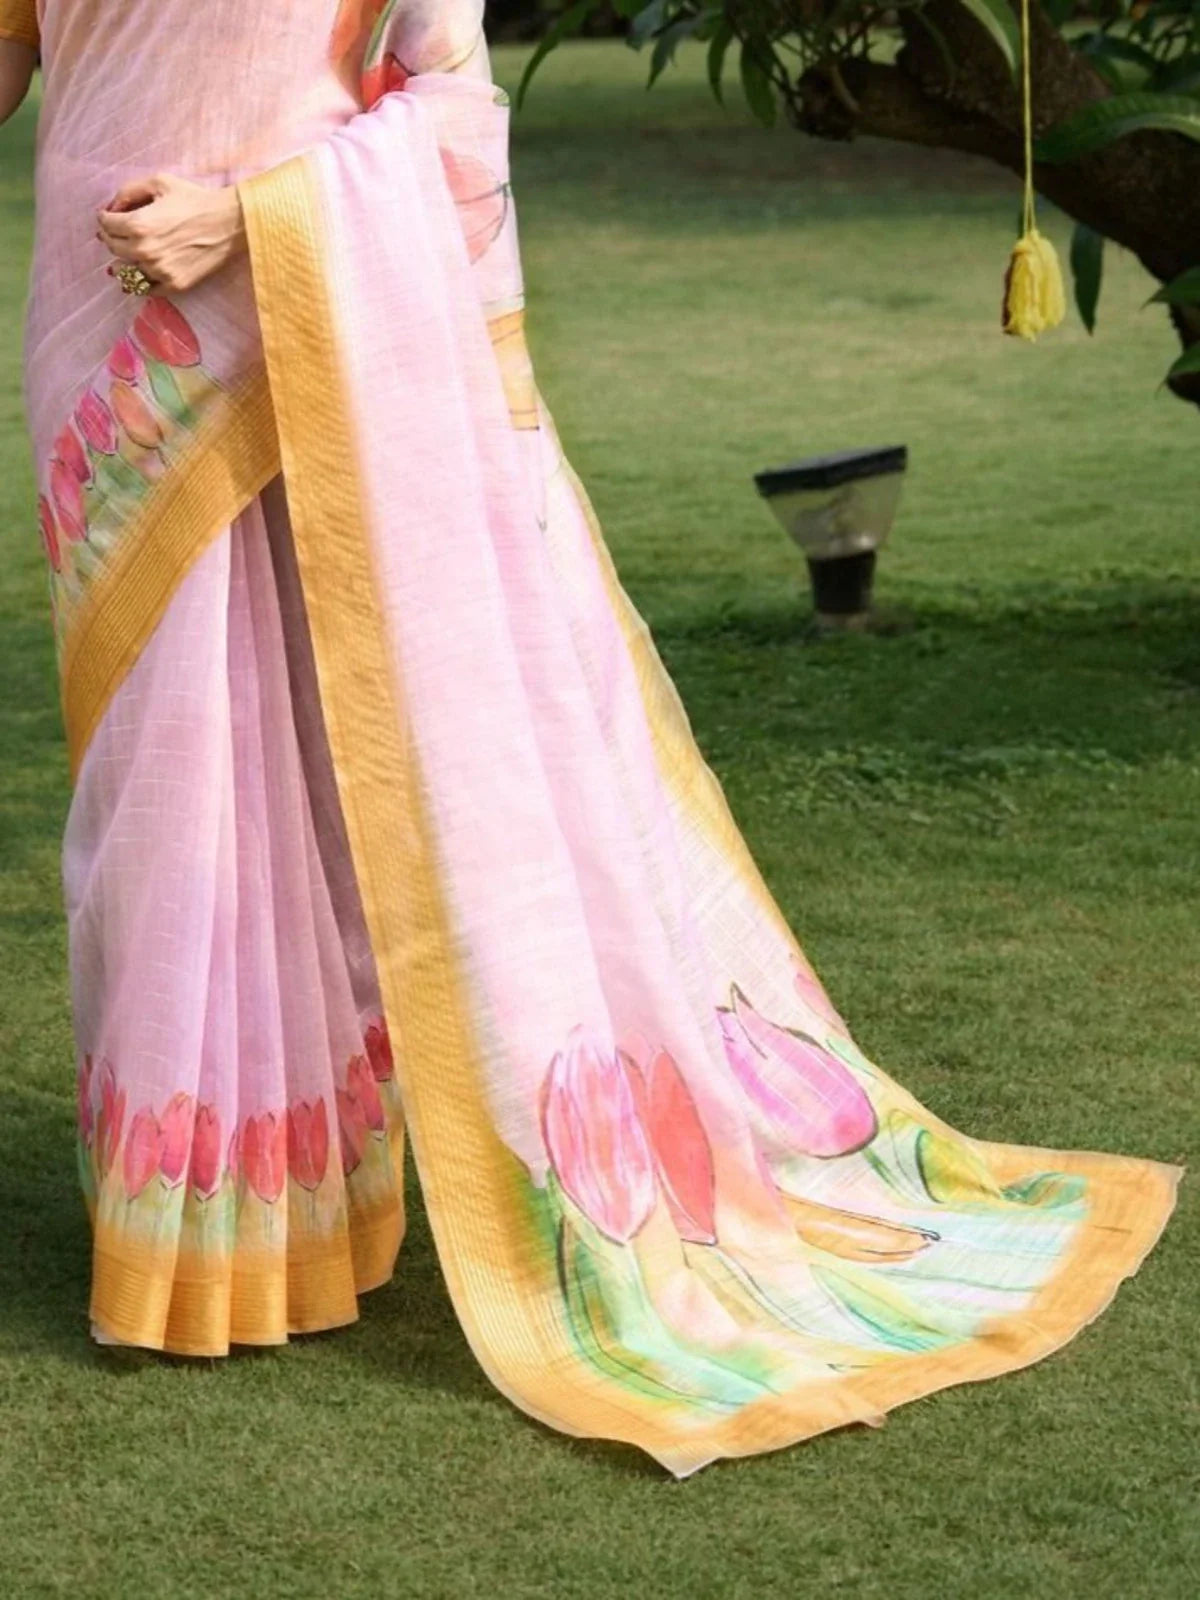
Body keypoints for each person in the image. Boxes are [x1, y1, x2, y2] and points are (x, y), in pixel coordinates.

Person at [0, 0, 1178, 1478]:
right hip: (109, 353)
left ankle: (281, 1219)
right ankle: (210, 1230)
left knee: (301, 758)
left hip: (291, 330)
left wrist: (247, 219)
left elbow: (449, 106)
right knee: (167, 788)